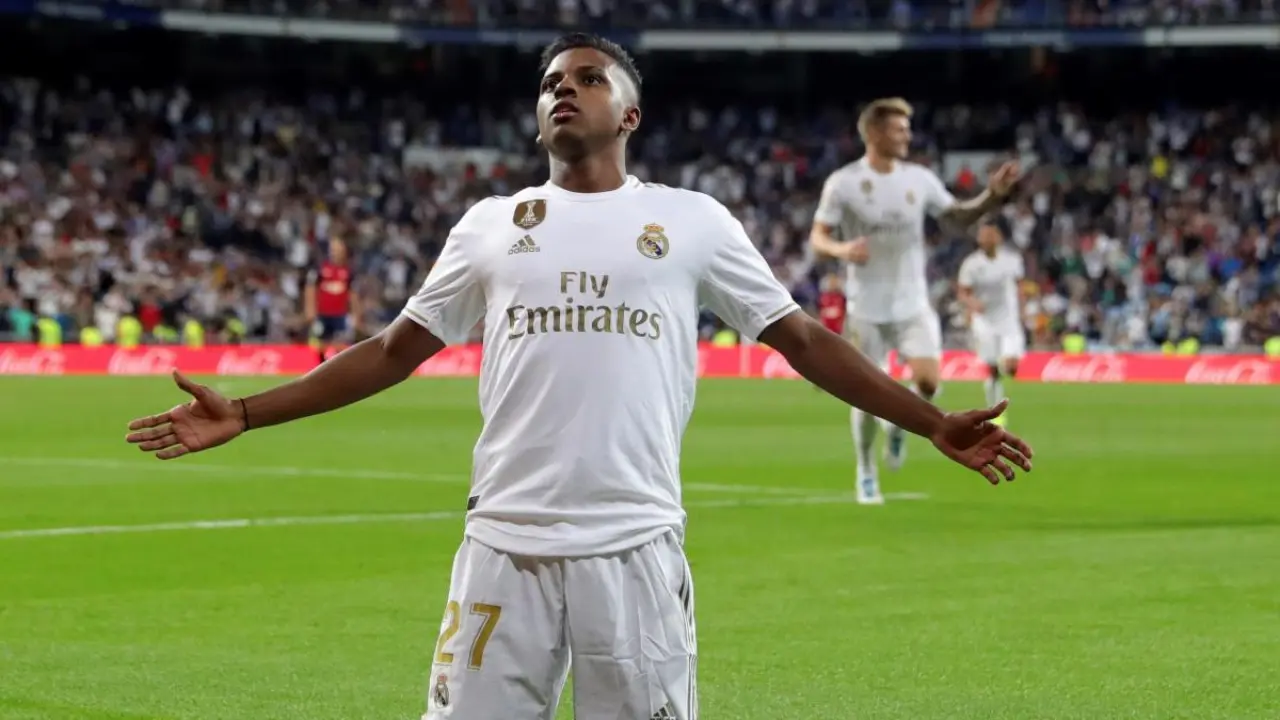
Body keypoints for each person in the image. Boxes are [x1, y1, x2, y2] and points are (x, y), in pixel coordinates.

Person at [125, 35, 1034, 720]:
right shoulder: (490, 224)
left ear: (629, 116)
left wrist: (929, 421)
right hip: (501, 545)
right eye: (552, 83)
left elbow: (801, 338)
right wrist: (247, 411)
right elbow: (393, 350)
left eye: (588, 78)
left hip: (633, 547)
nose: (564, 89)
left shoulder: (694, 221)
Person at [808, 97, 1021, 505]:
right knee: (865, 395)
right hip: (866, 307)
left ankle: (898, 426)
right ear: (874, 133)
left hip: (912, 303)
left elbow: (957, 217)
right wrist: (841, 249)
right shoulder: (844, 183)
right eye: (898, 129)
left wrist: (991, 197)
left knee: (929, 383)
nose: (907, 136)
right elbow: (818, 237)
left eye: (907, 129)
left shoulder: (919, 179)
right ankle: (866, 470)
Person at [957, 218, 1026, 427]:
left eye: (990, 234)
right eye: (983, 235)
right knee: (993, 368)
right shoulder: (971, 264)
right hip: (985, 320)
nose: (986, 239)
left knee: (1011, 367)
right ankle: (996, 412)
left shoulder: (1012, 260)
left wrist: (1023, 310)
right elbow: (963, 292)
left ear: (999, 237)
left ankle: (999, 383)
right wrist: (972, 304)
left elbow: (1020, 286)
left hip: (1008, 319)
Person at [305, 237, 359, 364]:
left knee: (342, 343)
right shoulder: (320, 269)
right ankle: (321, 366)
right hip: (322, 314)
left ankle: (339, 367)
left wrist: (356, 314)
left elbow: (353, 295)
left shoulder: (349, 272)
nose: (335, 252)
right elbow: (310, 289)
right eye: (333, 249)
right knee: (320, 343)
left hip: (341, 314)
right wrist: (309, 309)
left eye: (338, 249)